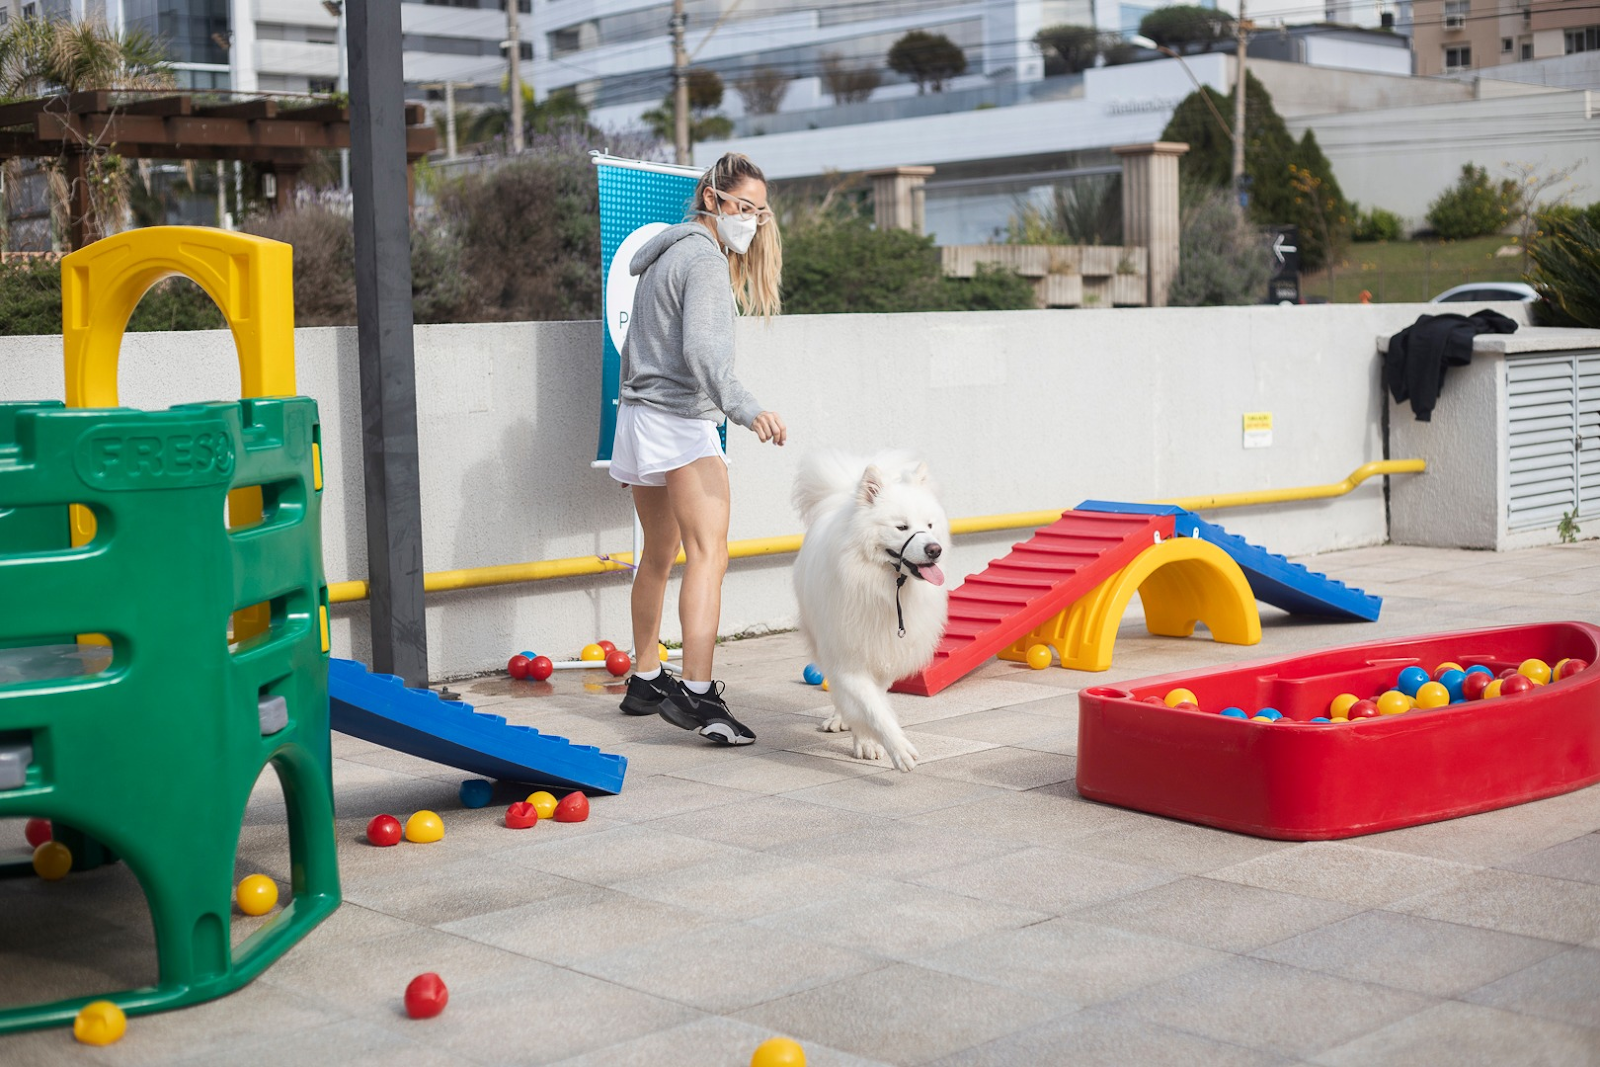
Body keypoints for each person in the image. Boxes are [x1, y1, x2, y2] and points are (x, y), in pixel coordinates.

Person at [609, 152, 786, 746]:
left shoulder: (664, 254)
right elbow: (704, 356)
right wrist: (748, 408)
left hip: (635, 417)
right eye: (743, 208)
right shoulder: (705, 261)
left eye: (759, 214)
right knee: (710, 553)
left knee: (659, 553)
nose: (751, 222)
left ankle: (645, 677)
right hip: (680, 421)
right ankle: (700, 694)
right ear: (711, 199)